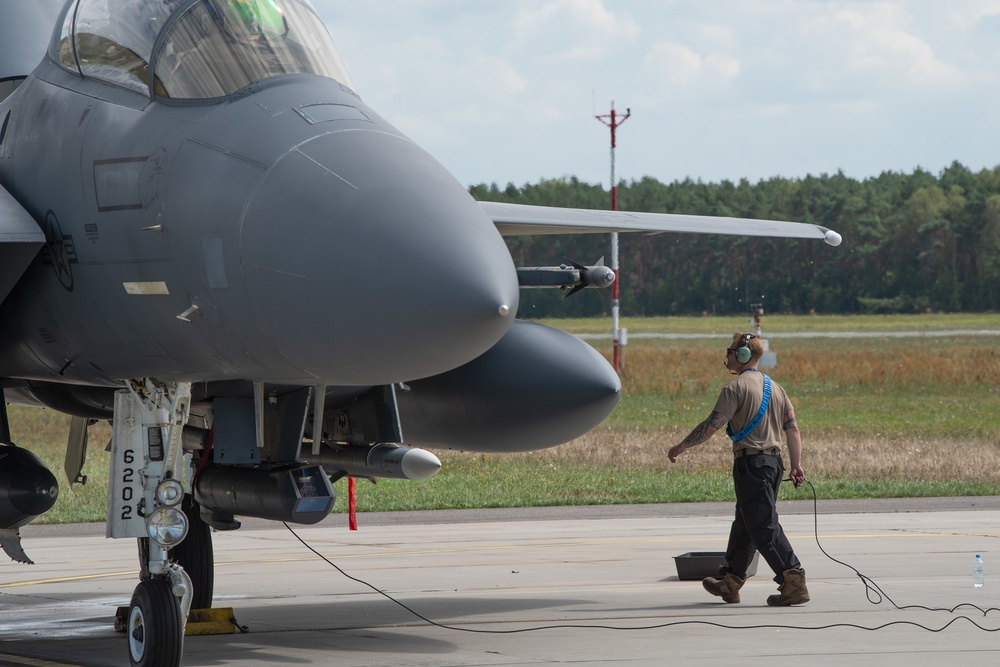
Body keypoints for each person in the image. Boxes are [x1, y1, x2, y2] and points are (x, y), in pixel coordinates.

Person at [667, 332, 809, 606]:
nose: (727, 355)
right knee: (746, 523)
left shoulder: (734, 388)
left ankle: (793, 580)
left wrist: (682, 445)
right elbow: (792, 429)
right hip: (773, 464)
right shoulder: (776, 387)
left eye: (731, 351)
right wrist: (796, 465)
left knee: (763, 525)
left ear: (743, 355)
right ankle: (730, 582)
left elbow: (711, 425)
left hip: (751, 464)